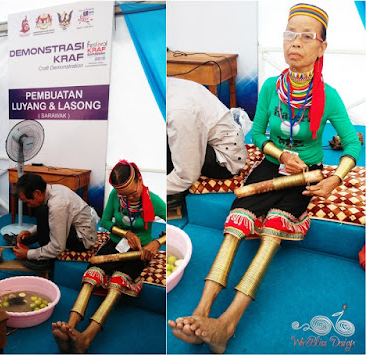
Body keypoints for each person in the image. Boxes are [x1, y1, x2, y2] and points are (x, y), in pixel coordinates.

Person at [168, 4, 361, 353]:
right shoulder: (272, 86)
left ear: (322, 47)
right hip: (272, 168)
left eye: (306, 36)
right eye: (290, 34)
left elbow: (351, 145)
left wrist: (334, 179)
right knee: (236, 223)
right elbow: (257, 135)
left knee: (273, 229)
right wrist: (280, 154)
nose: (295, 43)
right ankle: (201, 312)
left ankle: (227, 324)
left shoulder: (328, 97)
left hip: (304, 175)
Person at [52, 160, 166, 353]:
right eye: (124, 195)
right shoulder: (115, 195)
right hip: (115, 244)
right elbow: (104, 221)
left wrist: (157, 242)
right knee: (92, 275)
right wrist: (125, 233)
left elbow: (172, 229)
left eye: (132, 193)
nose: (128, 198)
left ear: (140, 180)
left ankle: (86, 337)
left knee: (118, 282)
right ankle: (69, 328)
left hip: (138, 252)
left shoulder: (154, 201)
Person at [167, 77, 247, 197]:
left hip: (225, 161)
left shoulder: (180, 112)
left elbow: (187, 175)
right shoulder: (168, 84)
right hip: (212, 137)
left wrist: (155, 187)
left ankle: (177, 196)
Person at [7, 174, 99, 270]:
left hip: (83, 241)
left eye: (28, 202)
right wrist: (31, 232)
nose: (29, 206)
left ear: (37, 193)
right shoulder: (53, 189)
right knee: (44, 211)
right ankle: (30, 239)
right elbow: (52, 221)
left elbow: (58, 247)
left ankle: (43, 261)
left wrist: (29, 254)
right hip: (78, 227)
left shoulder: (57, 205)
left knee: (42, 211)